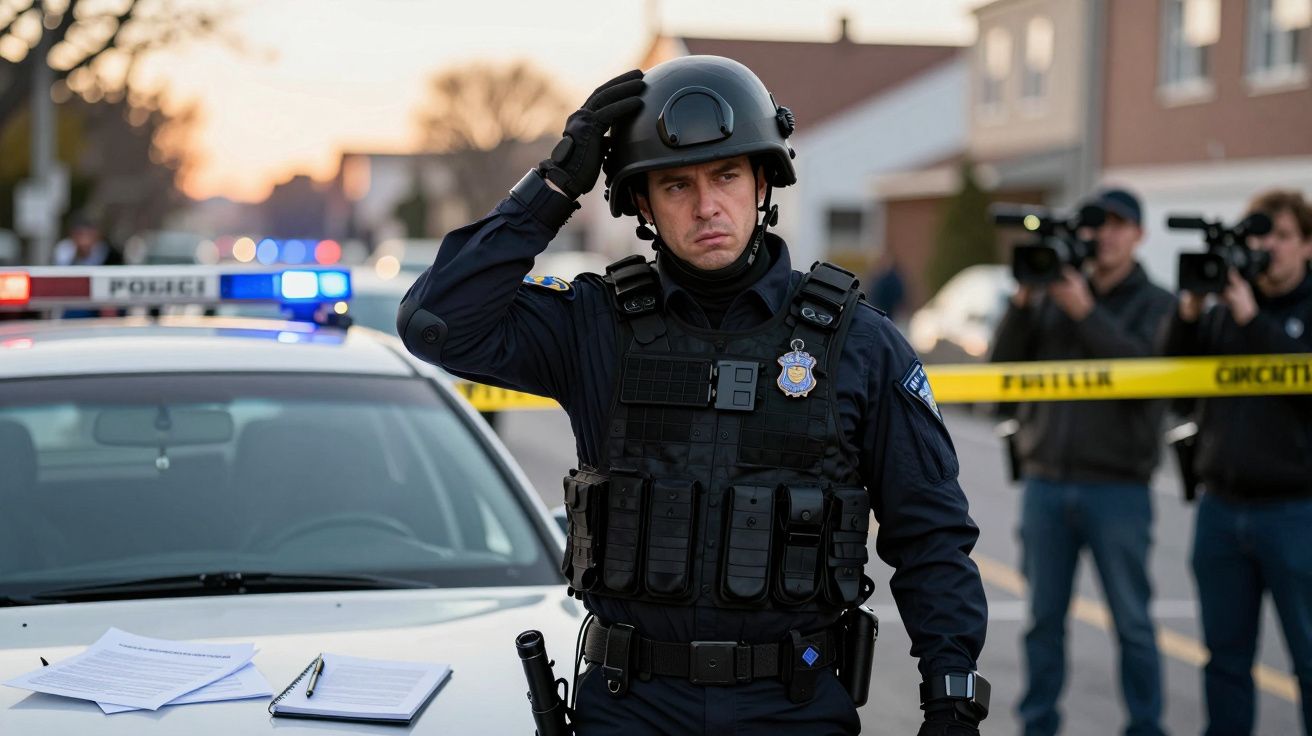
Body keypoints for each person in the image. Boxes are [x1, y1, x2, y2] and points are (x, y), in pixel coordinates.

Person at [399, 56, 989, 735]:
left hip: (792, 710)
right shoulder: (595, 327)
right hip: (631, 708)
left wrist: (950, 702)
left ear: (764, 179)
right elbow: (434, 321)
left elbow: (931, 538)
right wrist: (557, 182)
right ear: (641, 205)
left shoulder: (861, 344)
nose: (707, 206)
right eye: (676, 185)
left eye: (727, 175)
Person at [990, 188, 1175, 736]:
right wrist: (1025, 299)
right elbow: (1001, 371)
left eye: (1120, 225)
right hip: (1046, 481)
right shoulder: (1051, 291)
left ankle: (1146, 727)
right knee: (1043, 622)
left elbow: (1148, 384)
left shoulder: (1155, 303)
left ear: (1140, 234)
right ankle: (1038, 724)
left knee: (1133, 623)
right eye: (1099, 225)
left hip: (1118, 488)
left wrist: (1087, 313)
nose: (1107, 235)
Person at [1163, 189, 1312, 736]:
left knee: (1309, 660)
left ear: (1307, 244)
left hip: (1296, 511)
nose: (1267, 247)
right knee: (1225, 662)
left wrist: (1254, 321)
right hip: (1221, 510)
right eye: (1259, 236)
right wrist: (1190, 309)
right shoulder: (1225, 309)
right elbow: (1172, 374)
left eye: (1282, 236)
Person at [52, 211, 124, 266]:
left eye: (89, 234)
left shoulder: (110, 254)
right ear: (72, 235)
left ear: (97, 236)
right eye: (80, 234)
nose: (84, 239)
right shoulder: (63, 250)